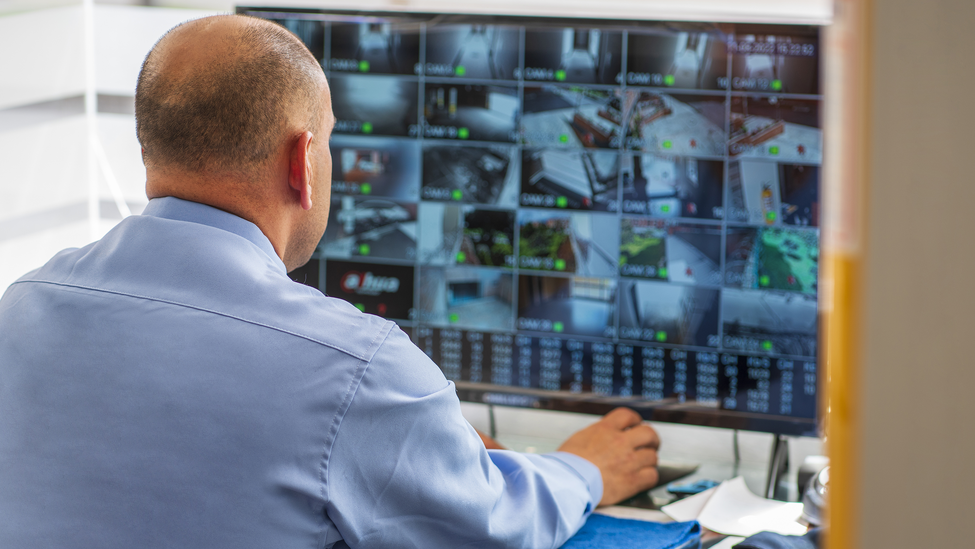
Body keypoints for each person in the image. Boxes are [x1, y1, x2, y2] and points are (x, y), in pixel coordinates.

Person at [0, 15, 659, 548]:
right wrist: (586, 468)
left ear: (147, 150)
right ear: (301, 162)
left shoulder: (21, 308)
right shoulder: (358, 368)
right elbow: (496, 527)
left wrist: (420, 437)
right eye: (329, 143)